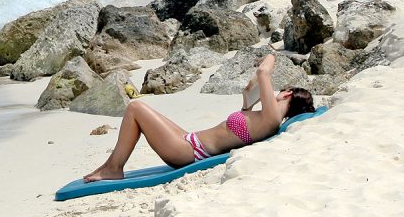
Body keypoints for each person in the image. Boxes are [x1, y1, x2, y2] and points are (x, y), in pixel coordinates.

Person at [82, 54, 314, 182]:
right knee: (138, 110)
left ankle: (113, 167)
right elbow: (246, 104)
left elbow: (264, 71)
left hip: (188, 151)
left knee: (135, 108)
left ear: (287, 94)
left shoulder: (272, 116)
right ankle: (110, 166)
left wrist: (272, 53)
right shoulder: (267, 118)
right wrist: (248, 100)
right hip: (189, 141)